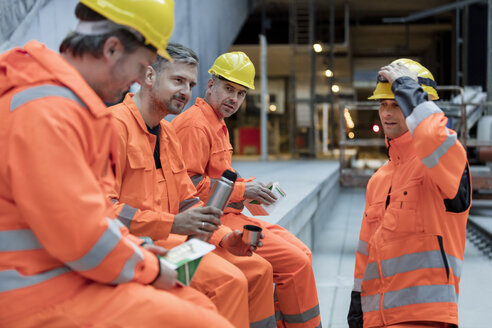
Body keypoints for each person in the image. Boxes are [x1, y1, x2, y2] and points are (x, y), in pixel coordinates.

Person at [0, 1, 233, 327]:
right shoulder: (48, 112)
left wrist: (144, 253)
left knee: (195, 303)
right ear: (111, 49)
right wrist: (150, 266)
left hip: (65, 272)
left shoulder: (65, 106)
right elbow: (85, 236)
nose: (138, 83)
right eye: (140, 68)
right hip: (36, 292)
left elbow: (94, 219)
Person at [107, 43, 276, 328]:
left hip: (174, 241)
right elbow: (105, 211)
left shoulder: (168, 134)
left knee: (259, 270)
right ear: (149, 76)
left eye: (190, 83)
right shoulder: (114, 127)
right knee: (230, 282)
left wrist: (225, 237)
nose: (186, 91)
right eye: (177, 80)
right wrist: (172, 224)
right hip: (135, 246)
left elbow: (189, 202)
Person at [172, 51, 322, 328]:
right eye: (229, 88)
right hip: (211, 220)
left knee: (303, 254)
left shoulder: (216, 123)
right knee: (296, 264)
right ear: (210, 84)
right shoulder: (195, 125)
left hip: (228, 215)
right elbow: (187, 187)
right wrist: (242, 191)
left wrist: (250, 189)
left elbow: (216, 176)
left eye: (241, 93)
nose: (234, 99)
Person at [347, 59, 471, 328]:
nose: (388, 113)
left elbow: (432, 137)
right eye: (384, 105)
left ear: (419, 105)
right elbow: (366, 252)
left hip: (426, 317)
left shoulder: (443, 163)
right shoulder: (379, 180)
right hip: (377, 319)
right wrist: (357, 305)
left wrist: (408, 88)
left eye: (398, 104)